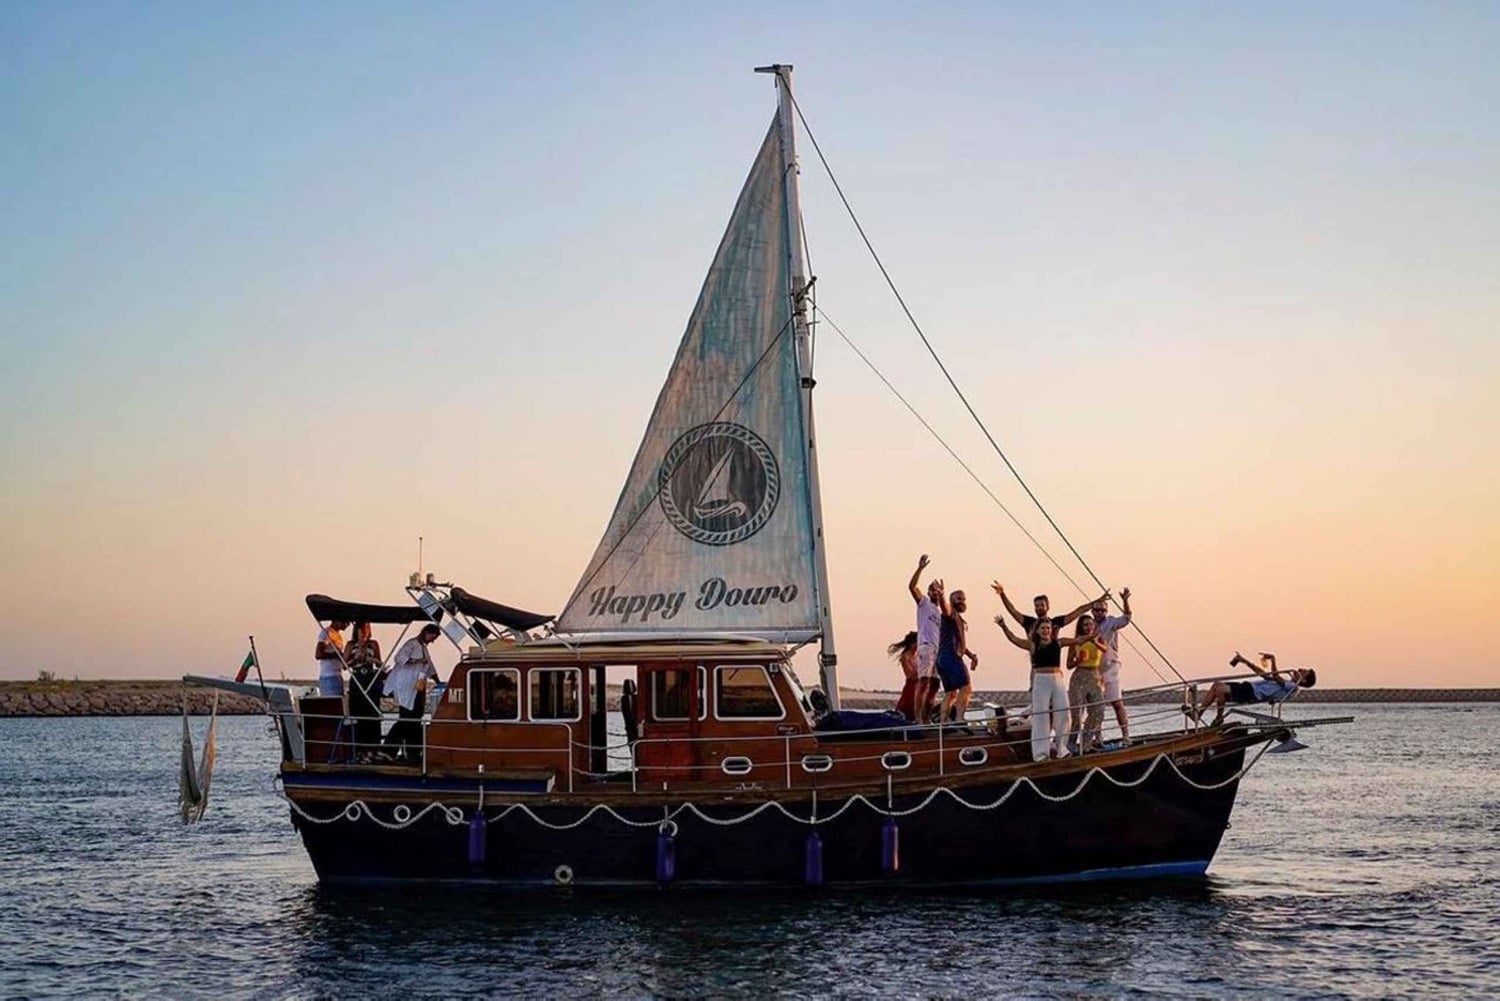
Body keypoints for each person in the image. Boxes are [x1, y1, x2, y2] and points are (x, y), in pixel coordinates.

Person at [996, 615, 1089, 761]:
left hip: (1057, 679)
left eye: (1048, 628)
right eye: (1043, 628)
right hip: (1041, 680)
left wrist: (1093, 635)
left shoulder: (1058, 642)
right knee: (1041, 716)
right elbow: (1014, 639)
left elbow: (1078, 640)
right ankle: (1041, 754)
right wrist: (1003, 626)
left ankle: (1061, 749)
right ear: (1038, 631)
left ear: (1051, 630)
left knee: (1063, 712)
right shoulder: (1033, 645)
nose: (1046, 630)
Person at [1193, 651, 1317, 725]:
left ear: (1304, 680)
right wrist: (1244, 661)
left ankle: (1218, 718)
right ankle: (1200, 715)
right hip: (1248, 687)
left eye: (1303, 671)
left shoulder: (1293, 687)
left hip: (1251, 693)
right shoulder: (1286, 682)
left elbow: (1275, 676)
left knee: (1220, 689)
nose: (1299, 669)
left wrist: (1273, 659)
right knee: (1216, 686)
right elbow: (1263, 674)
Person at [383, 624, 441, 760]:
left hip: (418, 687)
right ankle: (388, 749)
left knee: (415, 719)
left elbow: (430, 667)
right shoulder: (412, 644)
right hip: (407, 687)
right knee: (407, 718)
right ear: (427, 632)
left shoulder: (424, 648)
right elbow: (399, 658)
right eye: (433, 637)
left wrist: (438, 681)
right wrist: (417, 661)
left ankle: (413, 752)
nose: (433, 641)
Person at [1091, 588, 1133, 742]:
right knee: (1096, 706)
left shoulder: (1111, 622)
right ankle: (1098, 737)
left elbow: (1127, 618)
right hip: (1094, 670)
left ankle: (1126, 735)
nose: (1100, 613)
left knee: (1116, 702)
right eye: (1097, 610)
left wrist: (1125, 600)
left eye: (1103, 610)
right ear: (1092, 611)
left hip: (1111, 667)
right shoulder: (1088, 626)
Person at [992, 582, 1105, 639]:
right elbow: (1013, 611)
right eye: (1037, 606)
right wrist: (1002, 594)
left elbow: (1077, 612)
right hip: (1036, 665)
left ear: (1047, 607)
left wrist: (1095, 603)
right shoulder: (1029, 622)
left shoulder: (1056, 622)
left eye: (1042, 605)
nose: (1039, 608)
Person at [907, 555, 943, 724]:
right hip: (927, 647)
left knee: (934, 686)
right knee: (923, 683)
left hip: (938, 651)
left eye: (938, 590)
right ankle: (919, 718)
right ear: (929, 592)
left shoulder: (941, 612)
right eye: (933, 590)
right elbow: (912, 587)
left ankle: (927, 718)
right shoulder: (925, 603)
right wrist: (920, 568)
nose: (936, 592)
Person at [936, 588, 980, 723]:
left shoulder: (958, 619)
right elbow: (945, 609)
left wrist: (971, 655)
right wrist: (941, 596)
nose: (962, 601)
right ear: (952, 601)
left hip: (942, 659)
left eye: (963, 599)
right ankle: (959, 719)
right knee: (966, 688)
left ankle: (943, 723)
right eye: (959, 599)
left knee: (950, 693)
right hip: (951, 657)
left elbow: (960, 643)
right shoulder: (951, 614)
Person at [1065, 615, 1107, 753]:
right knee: (1076, 714)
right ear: (1081, 627)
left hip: (1094, 675)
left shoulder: (1099, 638)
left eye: (1090, 624)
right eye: (1085, 625)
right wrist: (1079, 660)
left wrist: (1094, 641)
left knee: (1098, 710)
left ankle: (1087, 742)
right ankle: (1071, 743)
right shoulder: (1076, 642)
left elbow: (1105, 649)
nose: (1088, 627)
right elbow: (1069, 664)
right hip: (1079, 676)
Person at [344, 621, 384, 758]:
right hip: (357, 677)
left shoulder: (373, 644)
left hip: (371, 678)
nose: (364, 632)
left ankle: (374, 748)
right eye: (362, 629)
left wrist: (372, 659)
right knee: (358, 713)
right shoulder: (350, 645)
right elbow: (344, 665)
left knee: (372, 712)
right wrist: (354, 659)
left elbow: (380, 663)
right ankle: (360, 749)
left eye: (367, 629)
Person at [314, 619, 349, 697]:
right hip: (329, 675)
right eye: (345, 622)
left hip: (337, 674)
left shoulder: (338, 635)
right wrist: (337, 655)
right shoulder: (327, 633)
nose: (347, 624)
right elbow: (318, 654)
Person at [890, 631, 920, 720]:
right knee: (908, 708)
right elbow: (909, 675)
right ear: (912, 644)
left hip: (920, 685)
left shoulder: (918, 655)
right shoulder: (906, 656)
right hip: (912, 686)